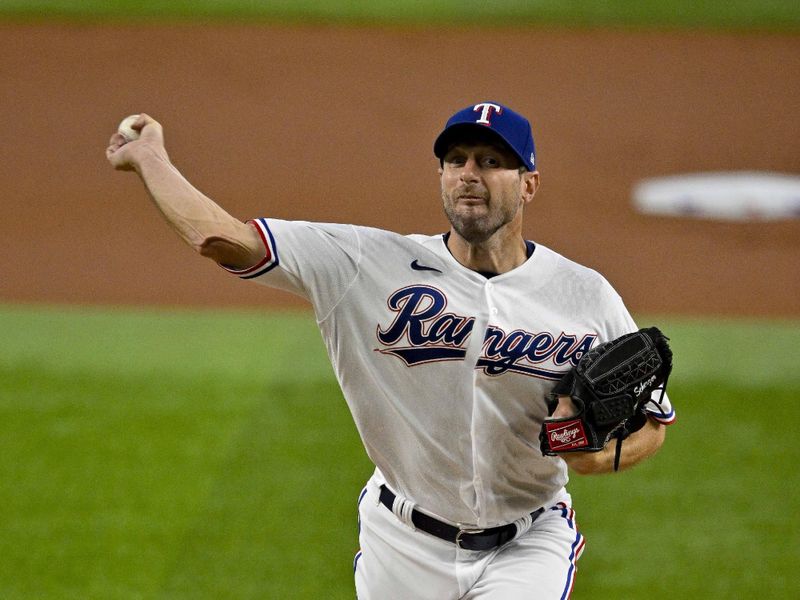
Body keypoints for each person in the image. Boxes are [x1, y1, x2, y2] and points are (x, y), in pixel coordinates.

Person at [106, 101, 675, 599]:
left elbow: (655, 418)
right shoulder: (364, 265)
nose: (470, 175)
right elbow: (223, 239)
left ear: (528, 184)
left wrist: (600, 456)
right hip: (401, 545)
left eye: (491, 161)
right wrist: (150, 158)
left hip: (527, 542)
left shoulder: (585, 294)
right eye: (457, 161)